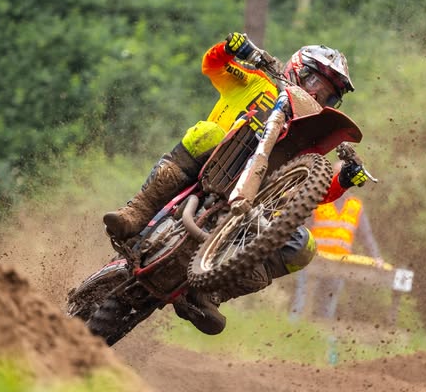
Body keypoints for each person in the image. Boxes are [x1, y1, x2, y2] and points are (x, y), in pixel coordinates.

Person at [103, 33, 368, 334]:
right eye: (315, 82)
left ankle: (212, 293)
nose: (318, 94)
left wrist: (343, 180)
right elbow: (213, 65)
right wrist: (230, 48)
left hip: (254, 207)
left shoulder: (313, 134)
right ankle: (136, 212)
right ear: (298, 70)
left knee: (303, 245)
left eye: (329, 95)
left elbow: (305, 191)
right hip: (210, 166)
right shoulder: (257, 82)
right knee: (207, 133)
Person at [290, 181, 382, 320]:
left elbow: (366, 235)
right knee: (302, 298)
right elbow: (303, 228)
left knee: (328, 304)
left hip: (339, 263)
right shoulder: (319, 200)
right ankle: (292, 328)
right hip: (313, 258)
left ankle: (322, 331)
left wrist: (376, 257)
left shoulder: (355, 206)